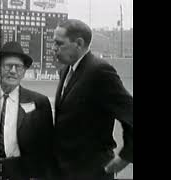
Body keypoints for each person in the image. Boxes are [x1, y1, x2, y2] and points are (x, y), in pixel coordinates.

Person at [52, 19, 133, 180]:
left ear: (79, 43)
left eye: (59, 43)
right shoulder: (66, 70)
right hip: (65, 171)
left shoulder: (100, 71)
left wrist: (125, 157)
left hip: (91, 172)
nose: (54, 48)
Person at [0, 41, 54, 180]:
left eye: (18, 67)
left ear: (23, 72)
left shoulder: (39, 102)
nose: (12, 71)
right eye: (7, 66)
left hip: (22, 173)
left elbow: (47, 147)